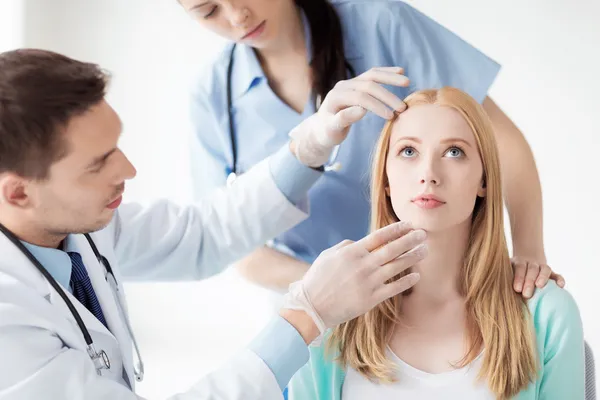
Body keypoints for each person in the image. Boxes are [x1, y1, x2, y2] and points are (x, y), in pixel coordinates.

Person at [0, 49, 429, 399]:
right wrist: (306, 317)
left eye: (116, 146)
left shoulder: (79, 227)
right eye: (98, 165)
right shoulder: (8, 324)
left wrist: (308, 147)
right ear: (17, 192)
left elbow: (202, 235)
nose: (129, 170)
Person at [180, 0, 563, 298]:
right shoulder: (213, 96)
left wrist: (529, 248)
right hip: (320, 312)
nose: (237, 16)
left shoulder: (380, 24)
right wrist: (339, 288)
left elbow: (499, 140)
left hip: (437, 288)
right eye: (208, 11)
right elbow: (231, 243)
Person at [287, 87, 585, 400]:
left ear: (484, 179)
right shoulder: (327, 313)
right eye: (408, 151)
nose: (428, 174)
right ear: (385, 180)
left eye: (454, 152)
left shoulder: (546, 314)